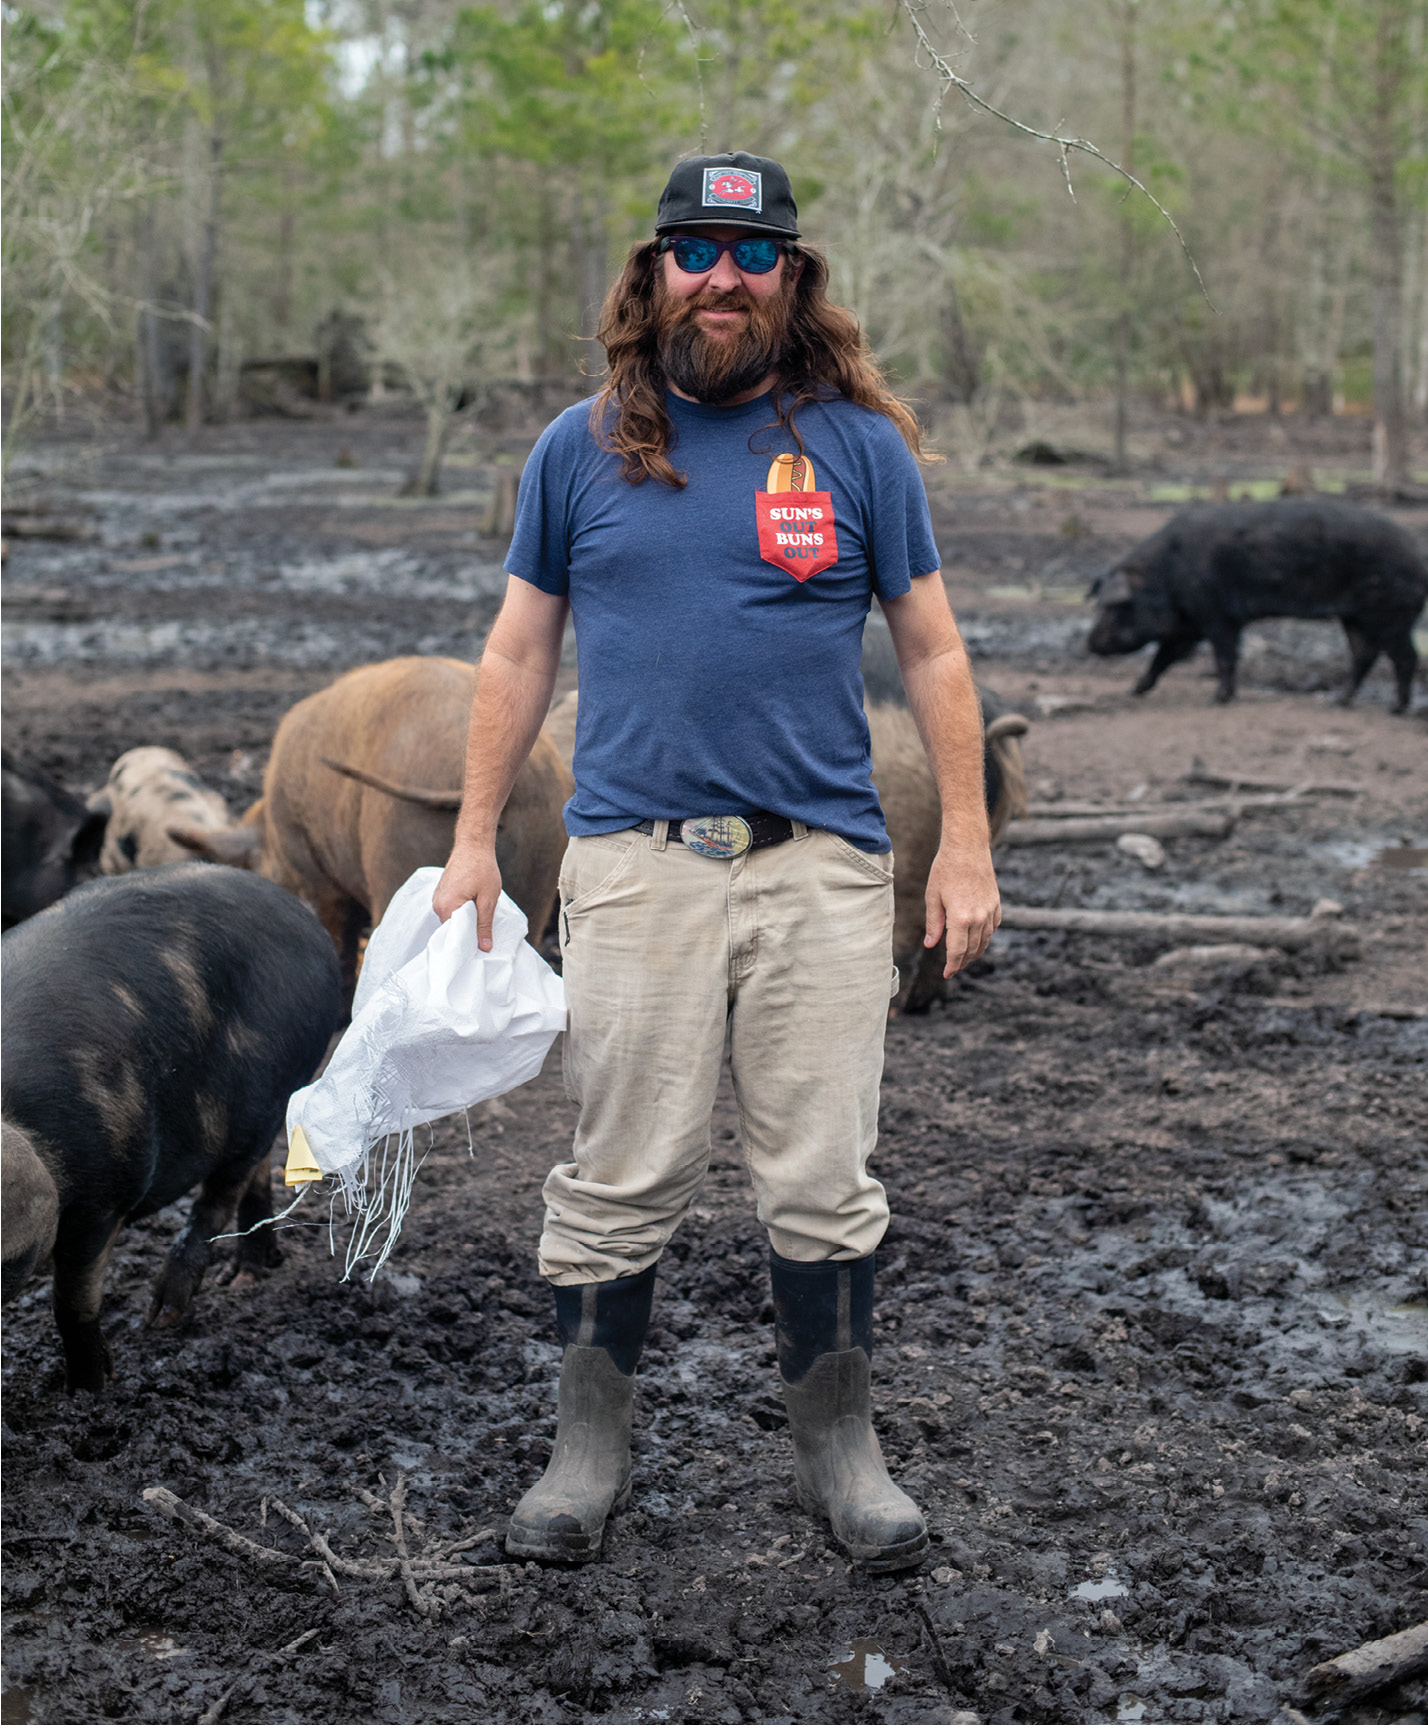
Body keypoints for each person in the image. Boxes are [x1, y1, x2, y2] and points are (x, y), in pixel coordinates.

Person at [433, 151, 1000, 1571]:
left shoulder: (862, 448)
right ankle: (588, 1444)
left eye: (754, 254)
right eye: (697, 249)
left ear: (794, 277)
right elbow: (515, 648)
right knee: (620, 1167)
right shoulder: (580, 448)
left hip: (822, 870)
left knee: (822, 1173)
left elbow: (930, 646)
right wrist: (470, 843)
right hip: (633, 868)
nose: (724, 278)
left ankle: (839, 1448)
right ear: (654, 268)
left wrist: (969, 842)